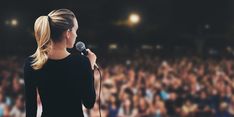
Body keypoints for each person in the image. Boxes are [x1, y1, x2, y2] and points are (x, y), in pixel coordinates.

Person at [23, 9, 97, 117]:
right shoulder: (82, 62)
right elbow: (89, 103)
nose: (76, 35)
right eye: (75, 30)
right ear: (68, 33)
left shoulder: (32, 63)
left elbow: (31, 110)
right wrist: (89, 67)